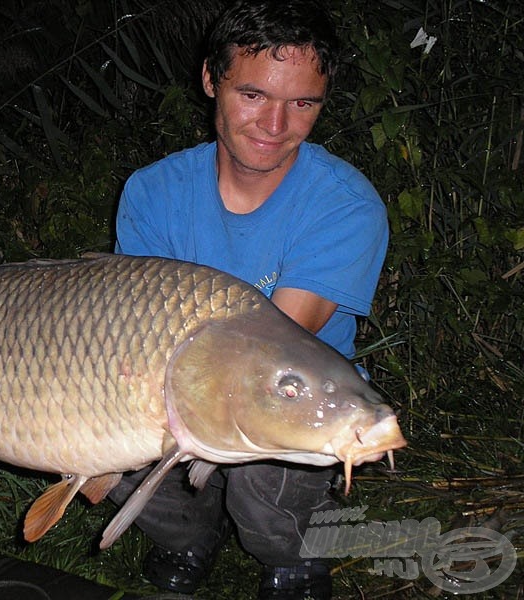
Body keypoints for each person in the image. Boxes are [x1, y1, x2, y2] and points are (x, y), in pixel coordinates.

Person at [108, 1, 389, 599]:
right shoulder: (152, 192)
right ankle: (188, 538)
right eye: (254, 94)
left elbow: (264, 361)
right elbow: (126, 330)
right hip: (169, 384)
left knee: (265, 490)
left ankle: (288, 555)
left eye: (303, 103)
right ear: (212, 80)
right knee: (94, 448)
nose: (275, 124)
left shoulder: (345, 206)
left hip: (284, 390)